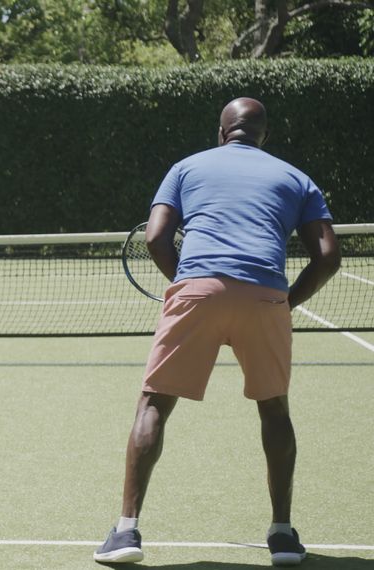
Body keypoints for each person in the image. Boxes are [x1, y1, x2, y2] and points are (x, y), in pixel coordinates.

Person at [94, 98, 340, 566]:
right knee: (274, 410)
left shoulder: (185, 167)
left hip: (197, 292)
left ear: (221, 131)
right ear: (263, 134)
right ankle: (283, 536)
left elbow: (155, 238)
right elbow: (328, 256)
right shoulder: (296, 178)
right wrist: (287, 300)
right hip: (265, 297)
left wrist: (189, 286)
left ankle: (125, 533)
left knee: (154, 405)